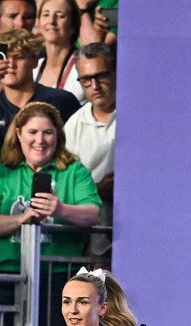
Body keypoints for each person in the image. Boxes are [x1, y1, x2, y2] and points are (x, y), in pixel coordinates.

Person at [0, 101, 100, 326]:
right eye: (32, 132)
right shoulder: (3, 171)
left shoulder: (74, 171)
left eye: (48, 132)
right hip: (8, 276)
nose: (40, 140)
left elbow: (92, 213)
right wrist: (23, 219)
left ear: (58, 135)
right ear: (19, 134)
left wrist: (61, 209)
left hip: (59, 278)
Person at [0, 29, 80, 163]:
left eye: (18, 57)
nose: (10, 64)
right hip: (8, 174)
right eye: (4, 58)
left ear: (34, 61)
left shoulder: (61, 100)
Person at [64, 42, 115, 257]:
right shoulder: (73, 126)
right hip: (91, 245)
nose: (94, 86)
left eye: (101, 76)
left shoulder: (139, 117)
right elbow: (65, 189)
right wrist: (97, 190)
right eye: (86, 79)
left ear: (115, 72)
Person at [34, 0, 84, 105]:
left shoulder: (83, 68)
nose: (51, 21)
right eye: (46, 15)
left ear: (73, 26)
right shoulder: (33, 68)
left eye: (60, 16)